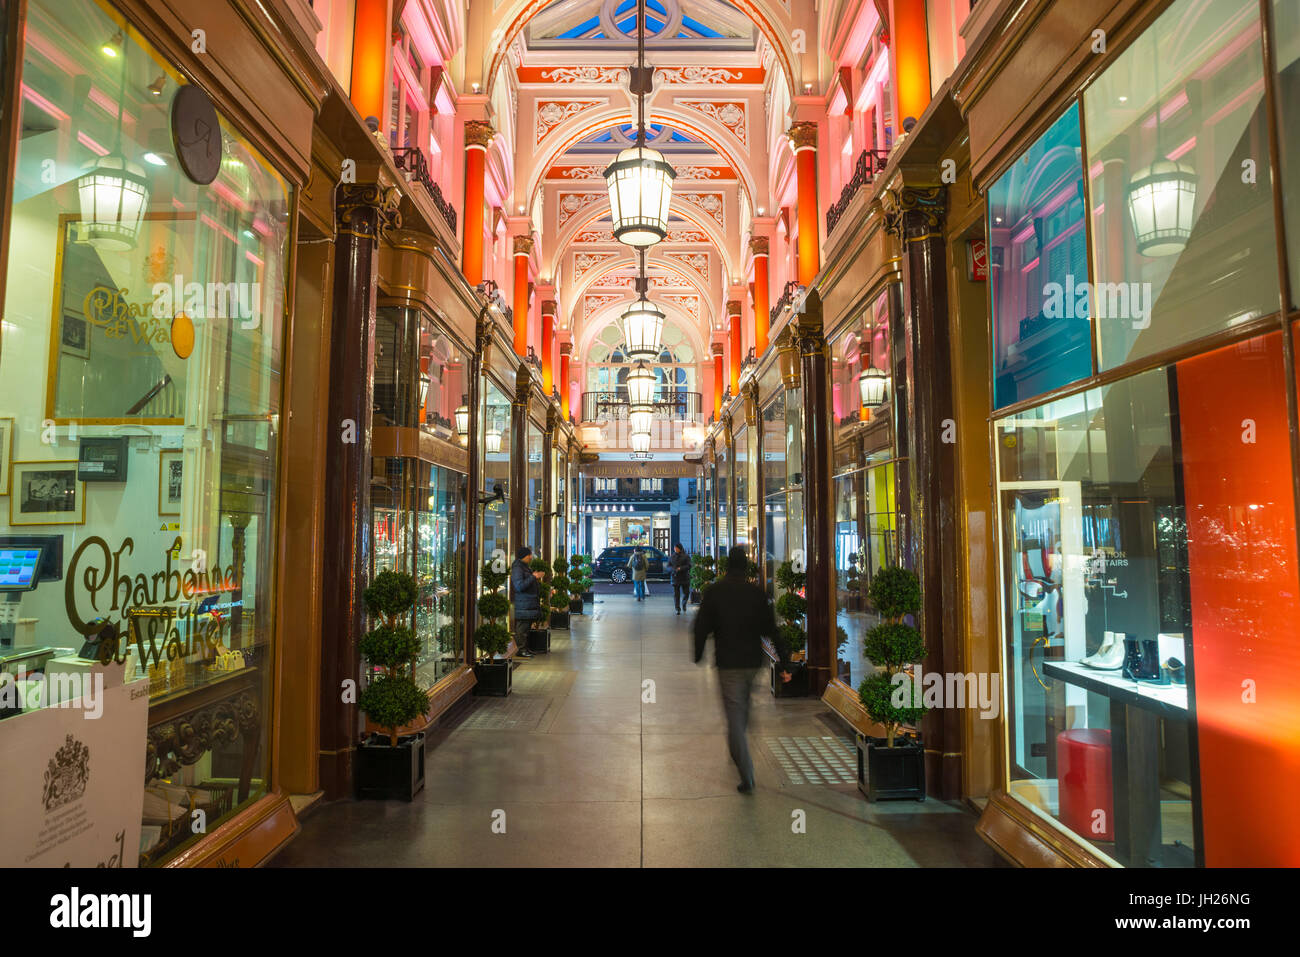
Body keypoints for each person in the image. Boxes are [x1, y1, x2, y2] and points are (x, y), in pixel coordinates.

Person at [693, 545, 792, 793]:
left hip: (729, 663)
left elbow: (701, 626)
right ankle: (740, 745)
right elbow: (772, 629)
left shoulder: (715, 592)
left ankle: (745, 770)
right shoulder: (756, 594)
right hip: (752, 662)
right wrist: (784, 662)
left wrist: (698, 653)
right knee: (743, 708)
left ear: (727, 567)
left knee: (735, 717)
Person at [510, 546, 544, 659]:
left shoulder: (524, 567)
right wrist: (533, 577)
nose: (531, 557)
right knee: (522, 628)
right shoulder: (517, 568)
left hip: (527, 603)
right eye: (529, 555)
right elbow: (519, 586)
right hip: (523, 604)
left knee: (526, 628)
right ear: (524, 556)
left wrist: (534, 577)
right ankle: (521, 649)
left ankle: (525, 648)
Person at [669, 543, 691, 615]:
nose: (675, 549)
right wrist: (673, 569)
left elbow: (689, 565)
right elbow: (668, 566)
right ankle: (677, 609)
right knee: (676, 594)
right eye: (674, 548)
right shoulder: (672, 556)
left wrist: (680, 568)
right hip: (675, 577)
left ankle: (684, 603)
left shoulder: (686, 556)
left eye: (676, 548)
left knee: (686, 593)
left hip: (684, 577)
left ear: (680, 548)